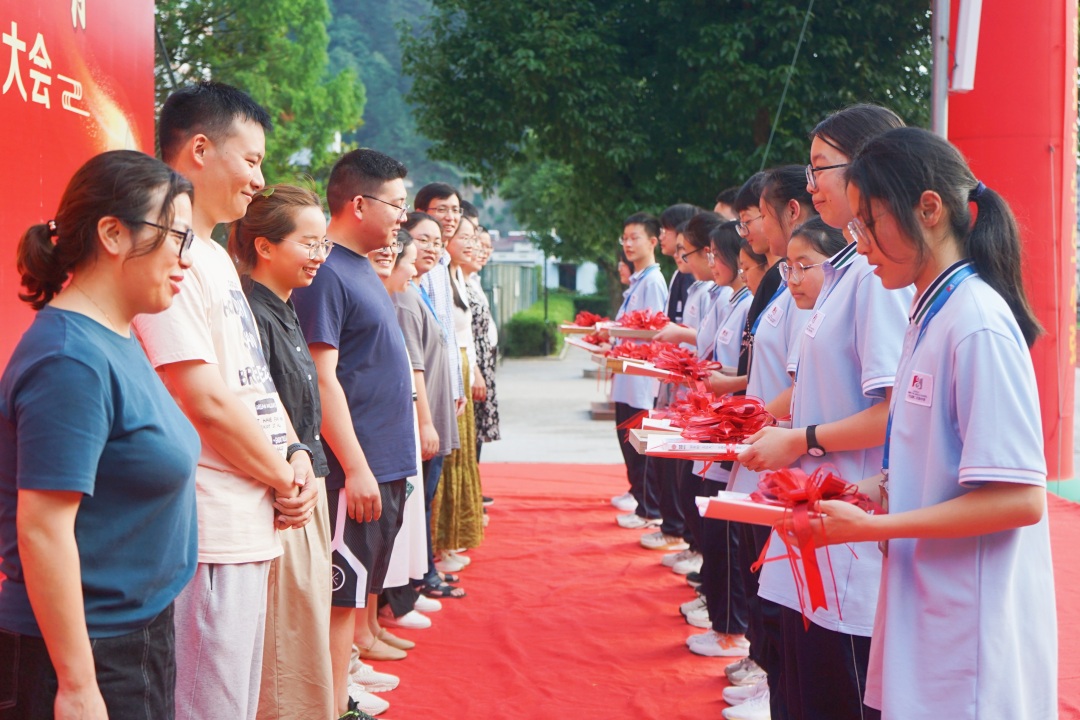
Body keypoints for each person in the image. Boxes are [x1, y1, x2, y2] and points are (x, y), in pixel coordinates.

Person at [809, 126, 1056, 720]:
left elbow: (1021, 500)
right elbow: (931, 469)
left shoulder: (975, 324)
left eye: (868, 223)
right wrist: (855, 494)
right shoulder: (928, 313)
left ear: (929, 209)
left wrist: (869, 529)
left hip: (965, 647)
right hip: (924, 622)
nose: (860, 244)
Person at [135, 82, 317, 720]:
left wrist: (294, 453)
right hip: (207, 527)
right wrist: (284, 478)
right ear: (201, 150)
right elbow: (201, 400)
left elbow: (252, 382)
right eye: (251, 159)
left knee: (234, 702)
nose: (258, 180)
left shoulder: (212, 255)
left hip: (250, 517)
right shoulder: (170, 255)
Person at [0, 151, 197, 720]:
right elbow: (42, 529)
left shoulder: (117, 336)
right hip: (85, 652)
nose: (185, 260)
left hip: (133, 634)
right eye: (176, 237)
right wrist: (78, 685)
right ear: (113, 233)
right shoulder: (71, 359)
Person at [736, 106, 910, 720]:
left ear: (868, 167)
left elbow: (890, 414)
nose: (809, 186)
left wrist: (799, 439)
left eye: (819, 168)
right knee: (799, 685)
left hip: (847, 531)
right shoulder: (846, 274)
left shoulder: (875, 278)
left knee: (834, 691)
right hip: (816, 518)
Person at [291, 148, 416, 718]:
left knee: (355, 592)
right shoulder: (325, 275)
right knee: (341, 597)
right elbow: (322, 379)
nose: (402, 217)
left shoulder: (363, 266)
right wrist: (358, 467)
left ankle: (341, 689)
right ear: (358, 203)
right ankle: (331, 704)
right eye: (395, 204)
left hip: (384, 461)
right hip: (353, 467)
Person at [228, 184, 344, 719]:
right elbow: (252, 415)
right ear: (264, 245)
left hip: (302, 491)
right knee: (283, 650)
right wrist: (286, 478)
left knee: (299, 638)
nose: (319, 256)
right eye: (308, 242)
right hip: (283, 499)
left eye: (323, 244)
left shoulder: (283, 308)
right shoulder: (250, 314)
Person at [725, 167, 817, 720]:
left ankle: (769, 681)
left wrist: (795, 433)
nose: (747, 231)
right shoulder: (784, 284)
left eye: (754, 215)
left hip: (813, 468)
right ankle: (767, 677)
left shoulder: (847, 281)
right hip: (783, 451)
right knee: (771, 589)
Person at [681, 220, 755, 660]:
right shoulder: (730, 299)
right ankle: (720, 613)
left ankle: (731, 628)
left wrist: (721, 382)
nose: (712, 262)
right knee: (709, 524)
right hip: (713, 423)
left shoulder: (747, 303)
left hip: (734, 432)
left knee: (726, 535)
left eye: (718, 255)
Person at [399, 211, 464, 600]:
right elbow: (414, 365)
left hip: (434, 413)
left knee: (426, 498)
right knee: (418, 500)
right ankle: (418, 578)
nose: (431, 247)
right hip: (421, 418)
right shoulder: (405, 295)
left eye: (438, 242)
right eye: (423, 239)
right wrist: (425, 421)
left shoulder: (419, 289)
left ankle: (424, 572)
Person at [430, 215, 485, 569]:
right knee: (446, 462)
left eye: (471, 236)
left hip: (460, 372)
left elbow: (461, 335)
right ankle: (440, 545)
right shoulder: (434, 272)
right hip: (444, 376)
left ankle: (450, 540)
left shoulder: (453, 274)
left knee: (459, 458)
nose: (469, 243)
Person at [612, 212, 669, 529]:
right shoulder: (639, 282)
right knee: (627, 439)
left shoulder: (653, 282)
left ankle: (649, 508)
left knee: (639, 443)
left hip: (642, 380)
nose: (629, 244)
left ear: (652, 242)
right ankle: (641, 501)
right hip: (628, 376)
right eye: (626, 238)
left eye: (635, 238)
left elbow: (655, 332)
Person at [468, 227, 501, 461]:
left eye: (488, 246)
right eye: (479, 244)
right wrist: (475, 369)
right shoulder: (459, 280)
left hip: (483, 360)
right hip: (473, 364)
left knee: (478, 429)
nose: (483, 251)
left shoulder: (473, 279)